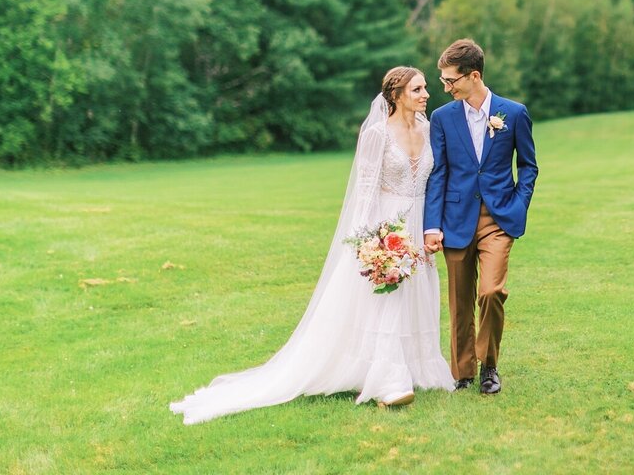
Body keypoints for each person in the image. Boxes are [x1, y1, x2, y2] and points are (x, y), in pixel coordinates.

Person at [170, 67, 454, 424]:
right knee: (388, 297)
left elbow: (436, 181)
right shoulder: (377, 134)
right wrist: (368, 243)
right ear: (396, 95)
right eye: (417, 88)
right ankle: (387, 378)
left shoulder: (429, 131)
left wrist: (432, 226)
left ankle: (420, 369)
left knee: (417, 293)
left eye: (426, 87)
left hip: (418, 225)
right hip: (385, 225)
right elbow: (365, 191)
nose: (426, 93)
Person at [423, 39, 538, 395]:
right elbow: (438, 172)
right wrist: (432, 225)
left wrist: (518, 205)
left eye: (450, 80)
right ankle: (463, 372)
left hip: (498, 219)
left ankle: (489, 367)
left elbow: (528, 167)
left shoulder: (513, 113)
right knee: (459, 302)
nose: (445, 87)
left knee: (490, 292)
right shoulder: (441, 118)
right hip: (455, 218)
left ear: (474, 76)